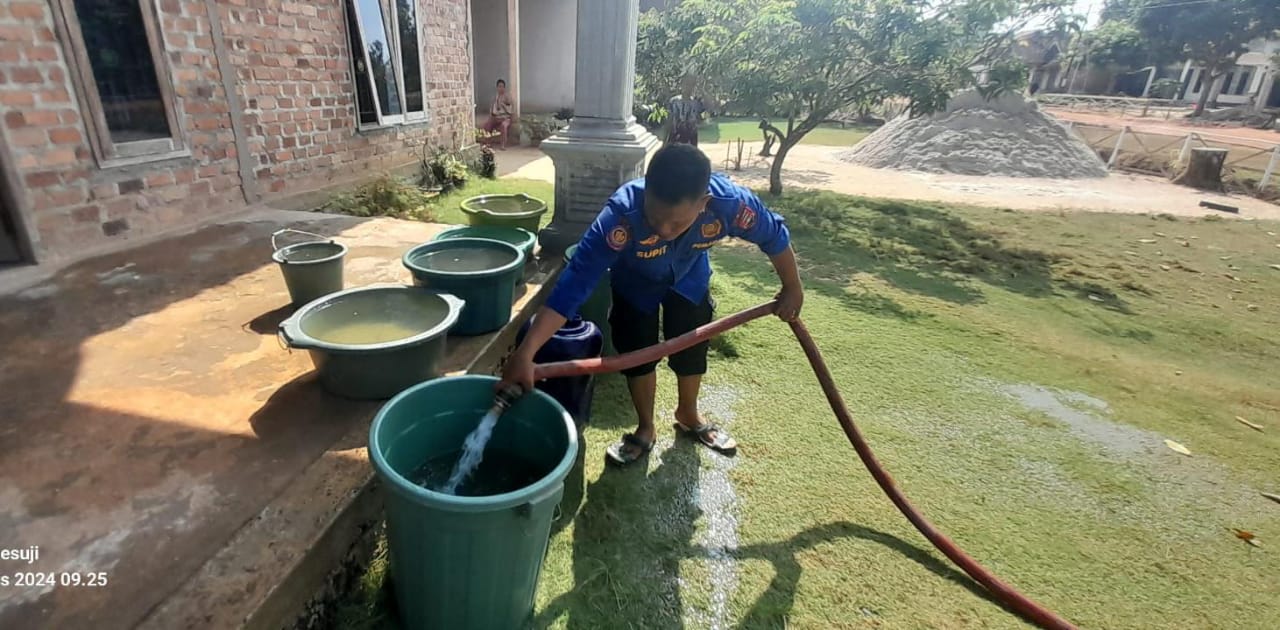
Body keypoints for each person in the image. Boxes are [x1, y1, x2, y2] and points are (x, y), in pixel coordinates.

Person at [499, 144, 804, 466]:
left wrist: (793, 287)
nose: (663, 230)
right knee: (636, 354)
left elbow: (775, 237)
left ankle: (689, 414)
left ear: (703, 204)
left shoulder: (731, 205)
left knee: (692, 346)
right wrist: (525, 353)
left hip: (689, 280)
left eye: (676, 223)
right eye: (656, 218)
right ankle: (645, 429)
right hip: (635, 286)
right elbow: (573, 286)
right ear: (646, 191)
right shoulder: (619, 216)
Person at [481, 79, 514, 149]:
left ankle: (503, 145)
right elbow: (492, 108)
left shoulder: (507, 96)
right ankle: (487, 143)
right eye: (499, 86)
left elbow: (510, 109)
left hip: (505, 118)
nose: (501, 88)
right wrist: (491, 116)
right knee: (487, 125)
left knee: (503, 126)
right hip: (496, 117)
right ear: (497, 88)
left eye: (502, 87)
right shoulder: (495, 97)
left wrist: (502, 105)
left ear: (504, 88)